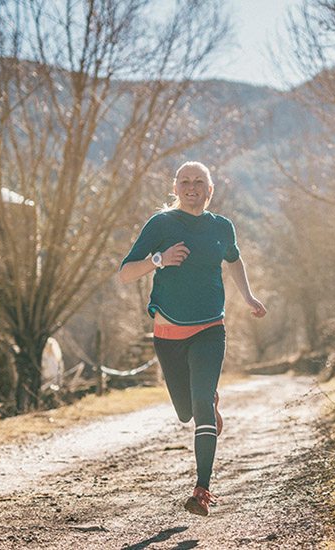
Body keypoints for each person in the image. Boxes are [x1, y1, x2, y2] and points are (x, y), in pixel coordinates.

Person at [118, 161, 266, 516]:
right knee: (186, 412)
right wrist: (159, 259)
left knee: (198, 403)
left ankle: (202, 488)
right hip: (169, 332)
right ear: (175, 188)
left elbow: (234, 261)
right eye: (184, 181)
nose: (191, 187)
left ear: (209, 190)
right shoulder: (161, 224)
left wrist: (247, 297)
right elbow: (125, 274)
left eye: (199, 182)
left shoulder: (221, 227)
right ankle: (208, 404)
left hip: (210, 329)